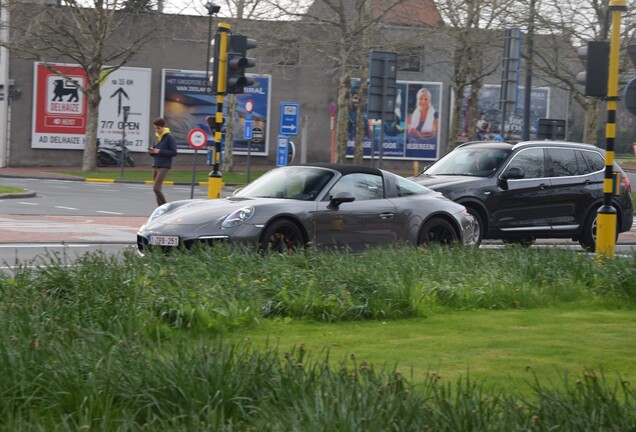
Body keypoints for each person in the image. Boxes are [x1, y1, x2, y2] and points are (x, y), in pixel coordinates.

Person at [148, 117, 177, 206]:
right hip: (156, 164)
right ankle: (159, 209)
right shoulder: (156, 137)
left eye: (159, 128)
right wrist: (152, 152)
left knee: (156, 188)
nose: (157, 130)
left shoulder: (169, 137)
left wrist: (159, 151)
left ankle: (165, 207)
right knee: (157, 189)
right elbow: (155, 152)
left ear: (164, 127)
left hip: (164, 165)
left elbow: (174, 152)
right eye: (155, 128)